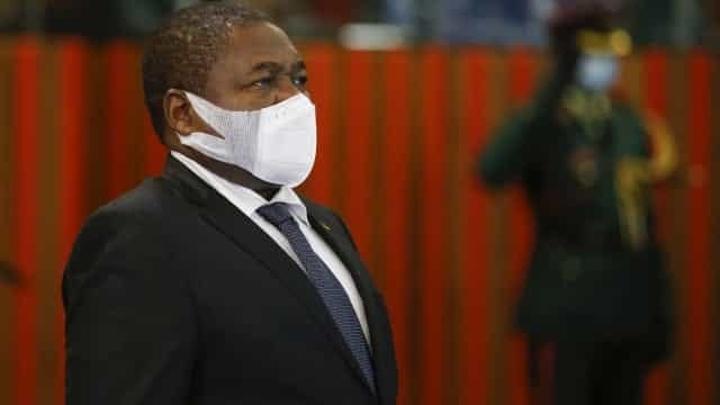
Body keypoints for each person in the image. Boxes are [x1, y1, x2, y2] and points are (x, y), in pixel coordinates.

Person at [62, 2, 397, 404]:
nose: (295, 99)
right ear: (183, 114)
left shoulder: (322, 224)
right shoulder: (140, 237)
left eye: (299, 78)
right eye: (263, 82)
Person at [476, 6, 676, 405]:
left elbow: (640, 225)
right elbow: (492, 171)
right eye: (594, 51)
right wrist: (553, 88)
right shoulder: (545, 121)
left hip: (626, 304)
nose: (608, 61)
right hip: (566, 304)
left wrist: (659, 309)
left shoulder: (628, 122)